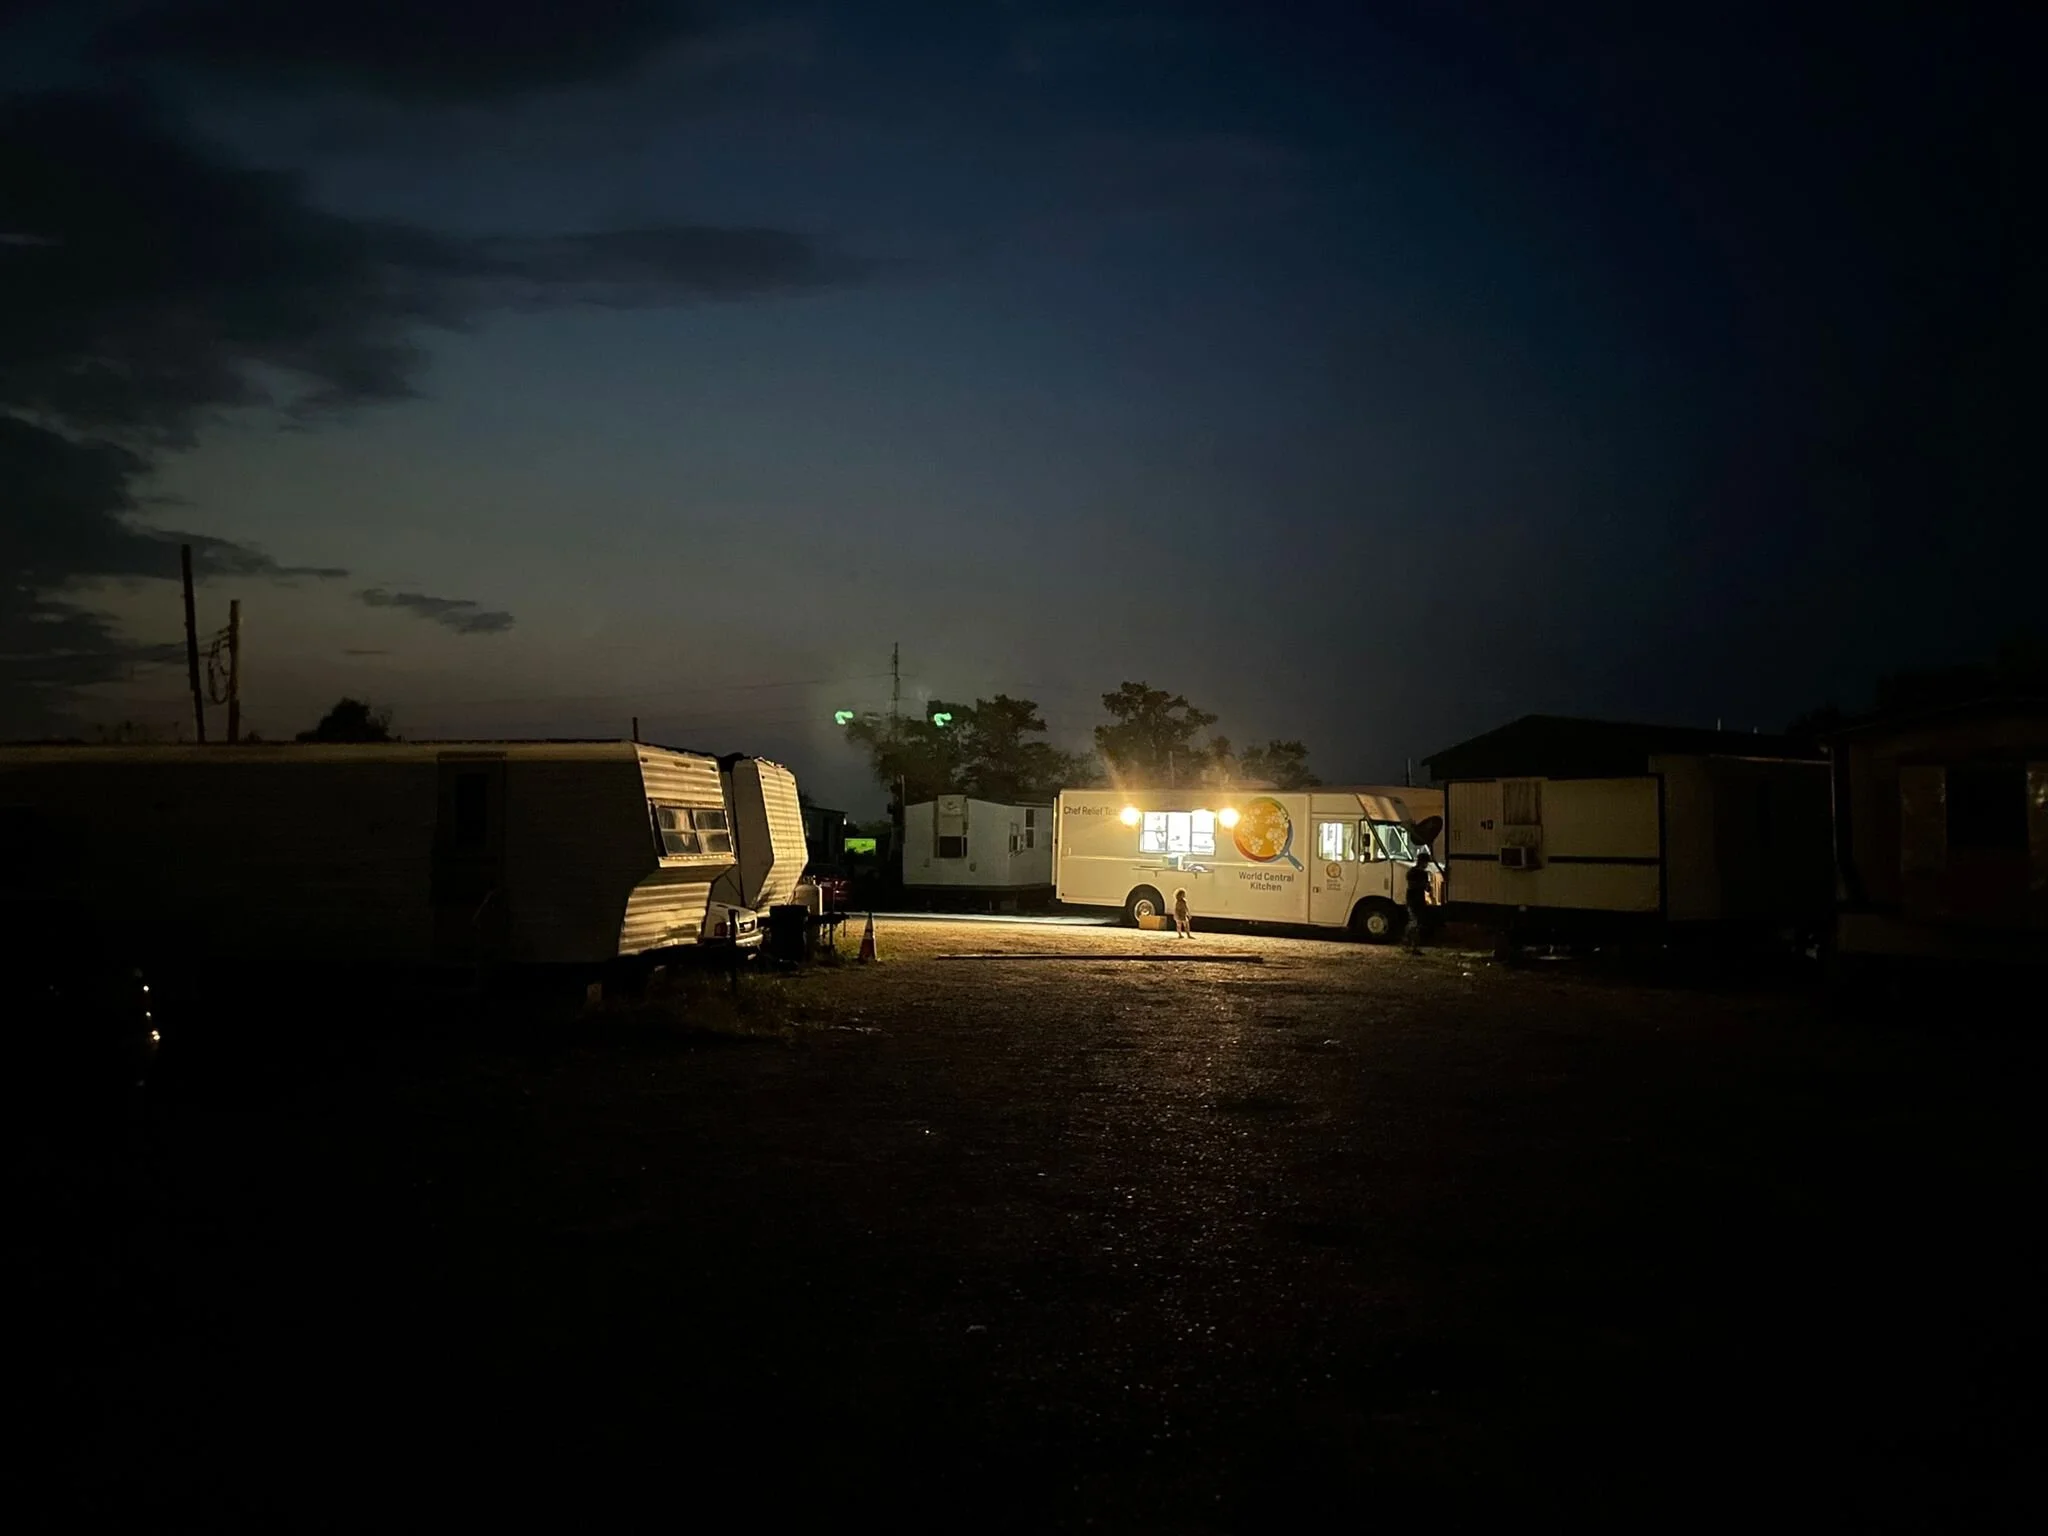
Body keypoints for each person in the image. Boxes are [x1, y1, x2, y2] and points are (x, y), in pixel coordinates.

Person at [1404, 850, 1434, 950]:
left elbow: (1426, 888)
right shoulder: (1414, 873)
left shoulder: (1418, 873)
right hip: (1414, 900)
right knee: (1414, 922)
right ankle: (1410, 943)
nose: (1426, 865)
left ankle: (1412, 944)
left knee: (1416, 922)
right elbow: (1413, 885)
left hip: (1417, 899)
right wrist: (1425, 885)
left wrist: (1427, 887)